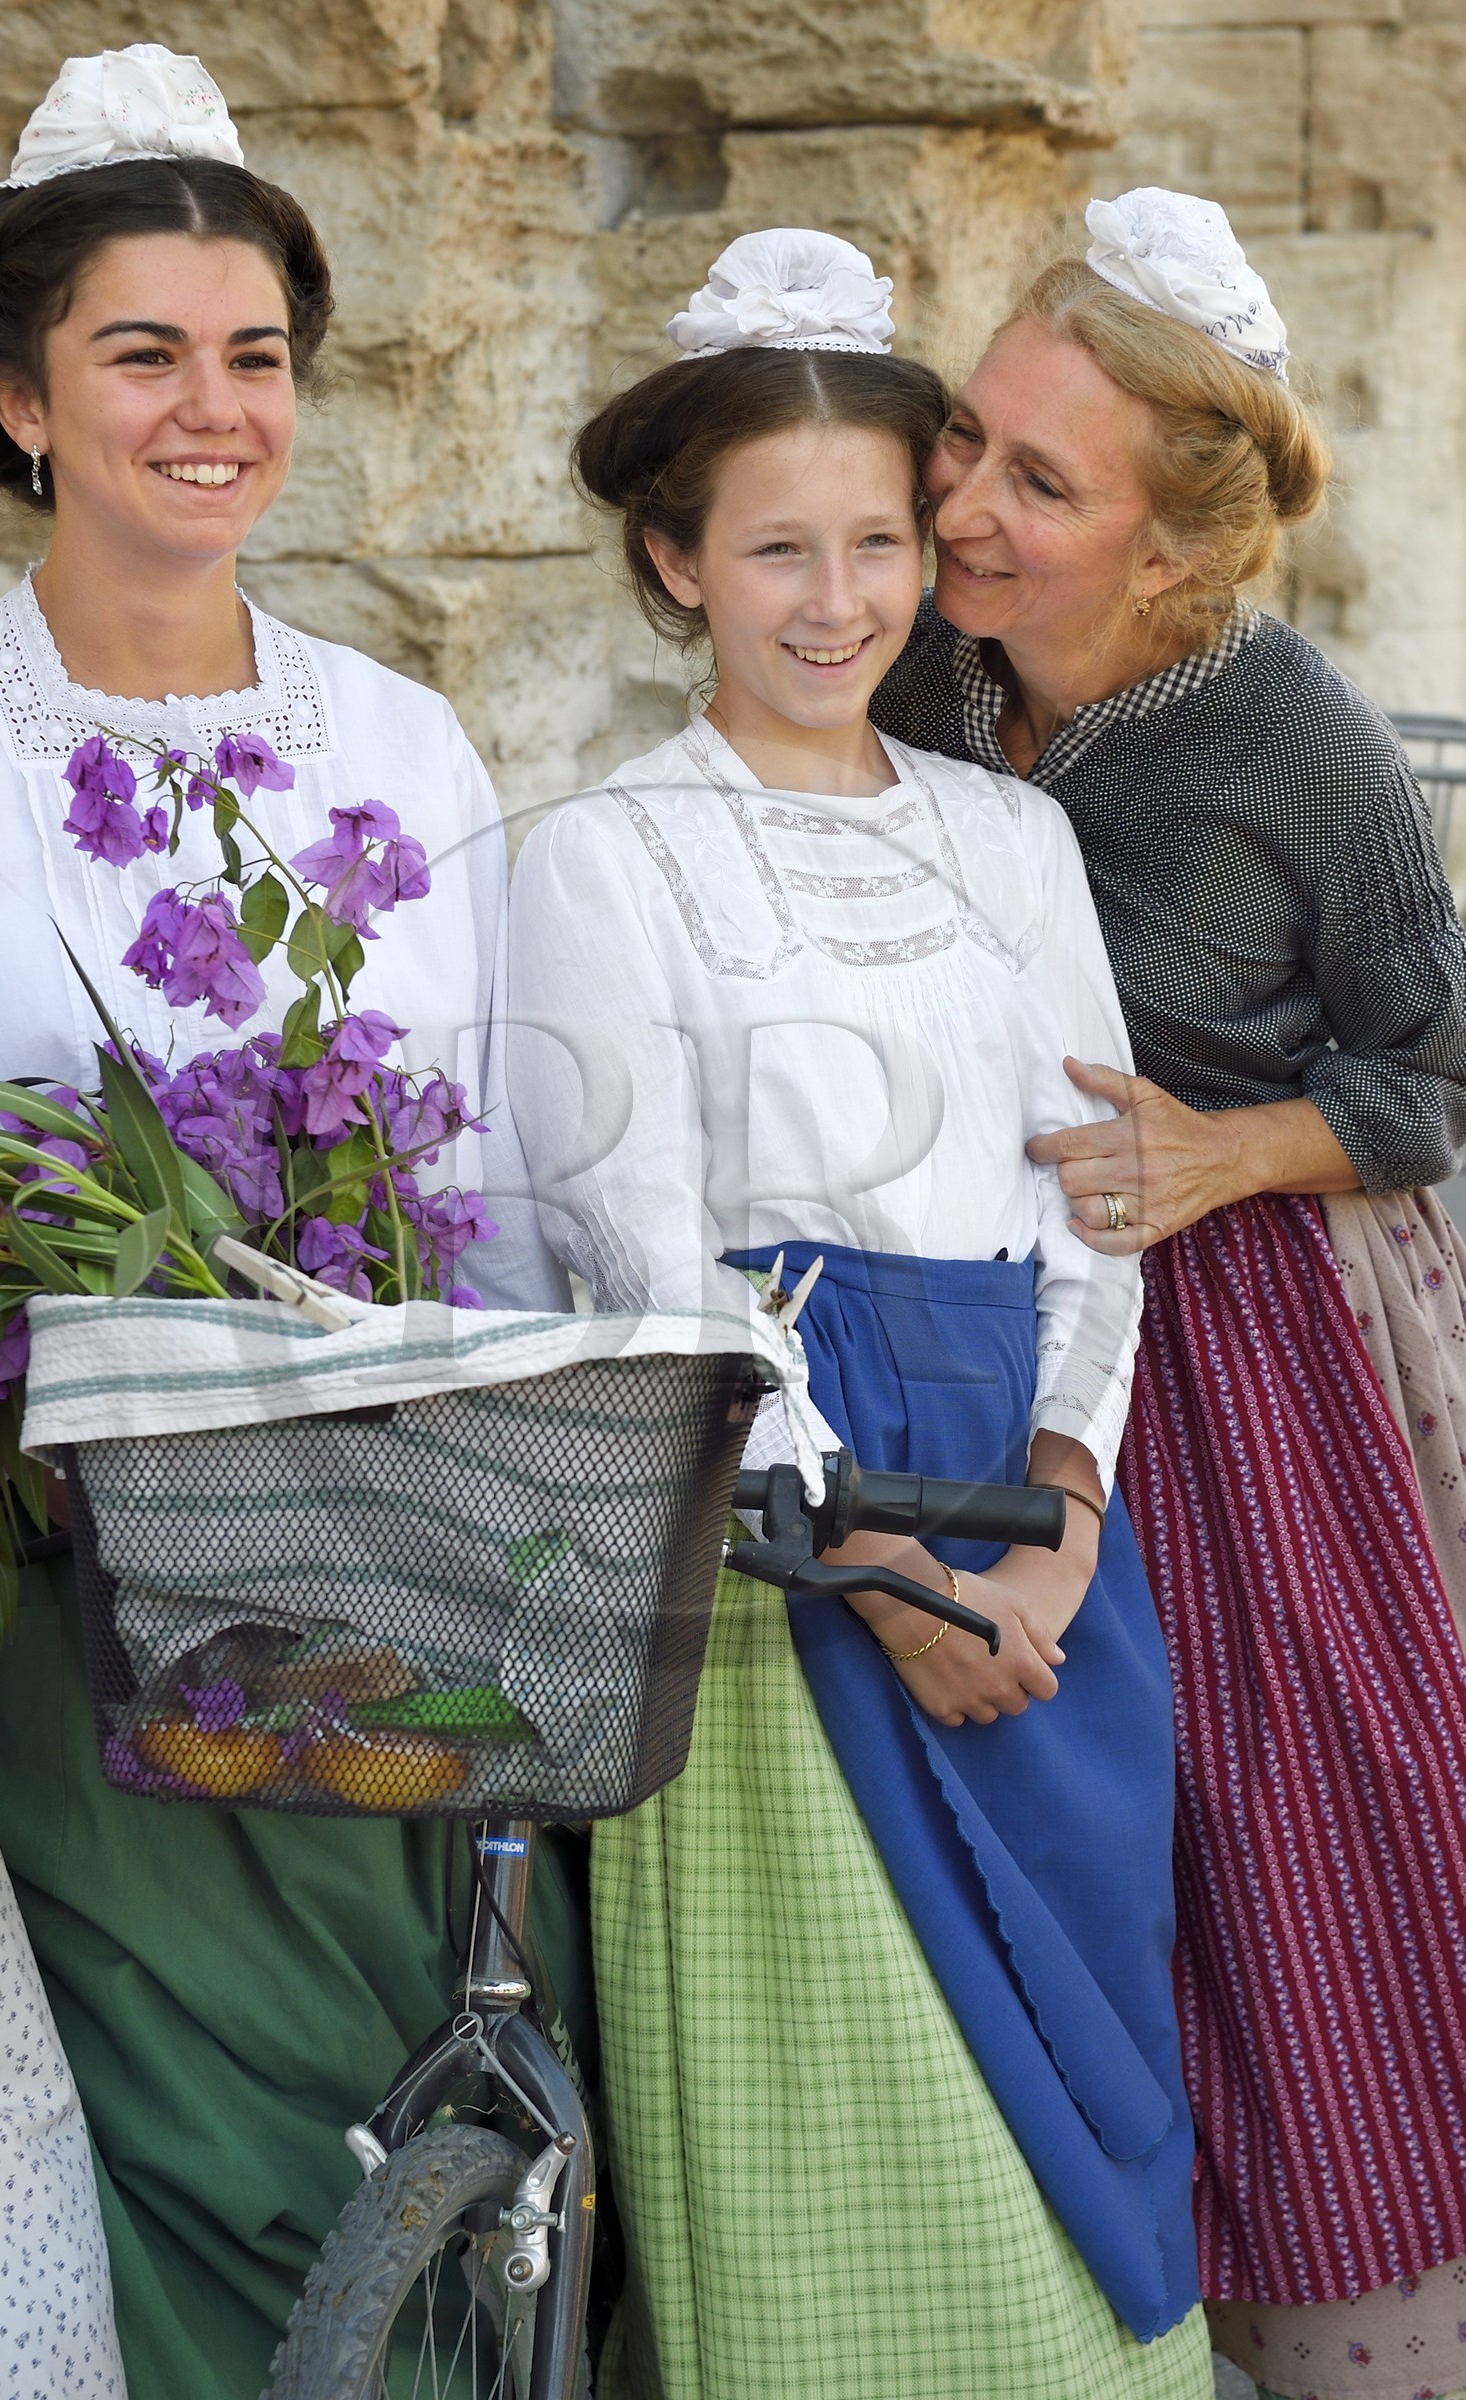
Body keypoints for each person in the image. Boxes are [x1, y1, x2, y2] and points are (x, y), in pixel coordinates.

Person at [0, 45, 586, 2400]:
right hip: (34, 1598)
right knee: (137, 2163)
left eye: (254, 355)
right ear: (18, 396)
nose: (213, 409)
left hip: (371, 1596)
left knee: (407, 2134)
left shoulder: (401, 744)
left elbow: (486, 1174)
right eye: (142, 354)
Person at [508, 228, 1212, 2400]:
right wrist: (878, 1573)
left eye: (880, 543)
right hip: (773, 1535)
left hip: (1033, 1522)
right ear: (674, 562)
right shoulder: (604, 856)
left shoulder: (1012, 841)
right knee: (851, 2121)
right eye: (777, 549)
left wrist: (1062, 1510)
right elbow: (643, 1249)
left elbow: (1099, 1200)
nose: (838, 603)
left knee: (1077, 2124)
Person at [872, 184, 1466, 2400]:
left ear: (1170, 551)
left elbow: (1433, 1065)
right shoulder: (918, 659)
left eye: (1039, 482)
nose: (961, 503)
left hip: (1258, 1346)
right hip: (970, 1323)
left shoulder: (1296, 740)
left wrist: (1225, 1149)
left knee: (1299, 1858)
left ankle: (1359, 2338)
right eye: (965, 438)